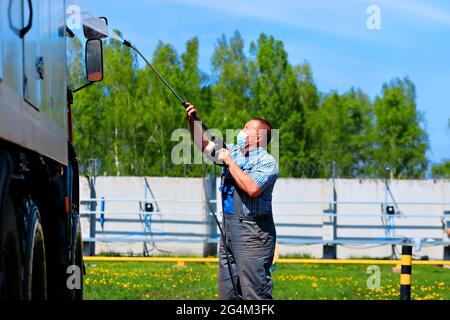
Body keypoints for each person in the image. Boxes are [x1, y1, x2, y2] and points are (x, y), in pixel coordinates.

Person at [185, 103, 279, 300]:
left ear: (259, 137)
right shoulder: (234, 152)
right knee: (227, 293)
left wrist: (229, 162)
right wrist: (192, 121)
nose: (241, 131)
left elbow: (252, 188)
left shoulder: (267, 162)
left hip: (253, 235)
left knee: (255, 292)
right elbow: (203, 144)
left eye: (246, 128)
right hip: (228, 230)